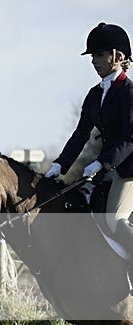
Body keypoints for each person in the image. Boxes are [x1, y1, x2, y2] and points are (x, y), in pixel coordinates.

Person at [45, 23, 133, 245]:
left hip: (128, 171)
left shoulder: (129, 93)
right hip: (107, 170)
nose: (94, 61)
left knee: (114, 219)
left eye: (99, 55)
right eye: (93, 55)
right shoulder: (95, 94)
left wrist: (102, 163)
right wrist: (60, 165)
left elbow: (130, 138)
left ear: (118, 56)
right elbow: (80, 134)